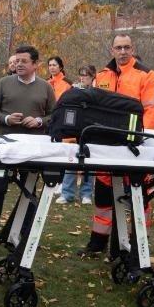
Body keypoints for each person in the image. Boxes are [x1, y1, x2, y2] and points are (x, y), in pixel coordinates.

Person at [0, 45, 56, 247]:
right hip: (4, 147)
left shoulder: (45, 87)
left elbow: (54, 116)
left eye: (24, 61)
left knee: (29, 192)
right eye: (17, 61)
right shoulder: (4, 83)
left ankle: (19, 236)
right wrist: (6, 118)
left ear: (35, 64)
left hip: (32, 150)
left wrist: (39, 121)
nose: (19, 64)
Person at [78, 34, 154, 256]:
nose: (122, 51)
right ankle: (98, 242)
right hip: (106, 147)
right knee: (103, 198)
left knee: (139, 198)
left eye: (126, 47)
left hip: (135, 148)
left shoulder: (147, 76)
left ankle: (138, 242)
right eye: (118, 47)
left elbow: (151, 114)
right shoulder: (103, 75)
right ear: (111, 49)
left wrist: (139, 141)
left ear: (132, 48)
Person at [56, 64, 97, 205]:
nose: (83, 77)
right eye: (81, 74)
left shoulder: (98, 92)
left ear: (93, 77)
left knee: (89, 162)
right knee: (71, 160)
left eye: (86, 75)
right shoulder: (73, 90)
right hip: (74, 129)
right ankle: (67, 193)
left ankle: (86, 194)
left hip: (91, 130)